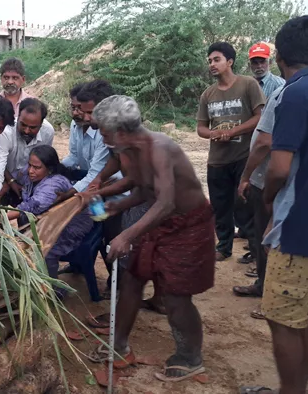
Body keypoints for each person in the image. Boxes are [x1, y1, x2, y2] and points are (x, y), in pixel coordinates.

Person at [240, 16, 308, 394]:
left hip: (300, 225)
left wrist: (266, 202)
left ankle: (291, 390)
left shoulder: (295, 94)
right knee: (304, 313)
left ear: (280, 54)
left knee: (281, 319)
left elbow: (279, 168)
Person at [94, 95, 215, 382]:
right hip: (158, 221)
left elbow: (166, 202)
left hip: (188, 225)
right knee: (132, 278)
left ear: (121, 132)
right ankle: (119, 346)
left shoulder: (160, 148)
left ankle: (190, 357)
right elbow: (143, 190)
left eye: (105, 132)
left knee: (175, 295)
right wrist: (117, 205)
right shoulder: (129, 150)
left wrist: (127, 234)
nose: (102, 137)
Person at [196, 42, 265, 262]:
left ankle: (256, 252)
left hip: (243, 158)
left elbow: (259, 118)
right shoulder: (208, 94)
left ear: (230, 62)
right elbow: (201, 128)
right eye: (209, 61)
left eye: (216, 59)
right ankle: (223, 247)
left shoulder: (248, 85)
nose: (212, 64)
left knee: (245, 207)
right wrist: (214, 134)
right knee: (220, 206)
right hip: (216, 160)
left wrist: (234, 130)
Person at [232, 83, 284, 313]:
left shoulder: (283, 93)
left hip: (268, 181)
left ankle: (270, 296)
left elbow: (264, 142)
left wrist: (247, 175)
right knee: (264, 234)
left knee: (268, 239)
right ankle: (264, 286)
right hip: (272, 180)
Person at [6, 145, 92, 281]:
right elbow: (17, 176)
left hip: (69, 224)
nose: (31, 171)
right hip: (49, 220)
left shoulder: (54, 184)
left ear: (50, 169)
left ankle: (52, 288)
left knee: (44, 250)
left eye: (36, 168)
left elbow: (32, 206)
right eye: (30, 165)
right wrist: (7, 186)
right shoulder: (31, 172)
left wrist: (1, 217)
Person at [0, 98, 54, 205]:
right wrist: (10, 182)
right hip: (3, 175)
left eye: (32, 128)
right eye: (23, 125)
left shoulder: (48, 132)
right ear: (18, 116)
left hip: (30, 179)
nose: (26, 131)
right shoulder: (6, 132)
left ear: (41, 124)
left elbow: (43, 162)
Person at [58, 80, 117, 200]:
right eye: (73, 107)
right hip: (93, 181)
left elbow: (95, 174)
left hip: (112, 190)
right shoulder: (75, 125)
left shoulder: (105, 133)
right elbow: (74, 156)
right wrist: (54, 168)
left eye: (80, 108)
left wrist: (68, 194)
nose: (76, 113)